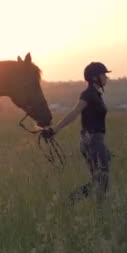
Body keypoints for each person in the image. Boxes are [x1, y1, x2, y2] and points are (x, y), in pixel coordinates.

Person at [44, 62, 112, 204]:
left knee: (100, 179)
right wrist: (55, 130)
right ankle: (72, 201)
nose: (106, 77)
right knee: (102, 179)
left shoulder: (96, 95)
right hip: (91, 140)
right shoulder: (88, 94)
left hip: (96, 140)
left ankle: (89, 206)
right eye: (103, 74)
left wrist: (103, 147)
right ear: (94, 77)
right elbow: (74, 113)